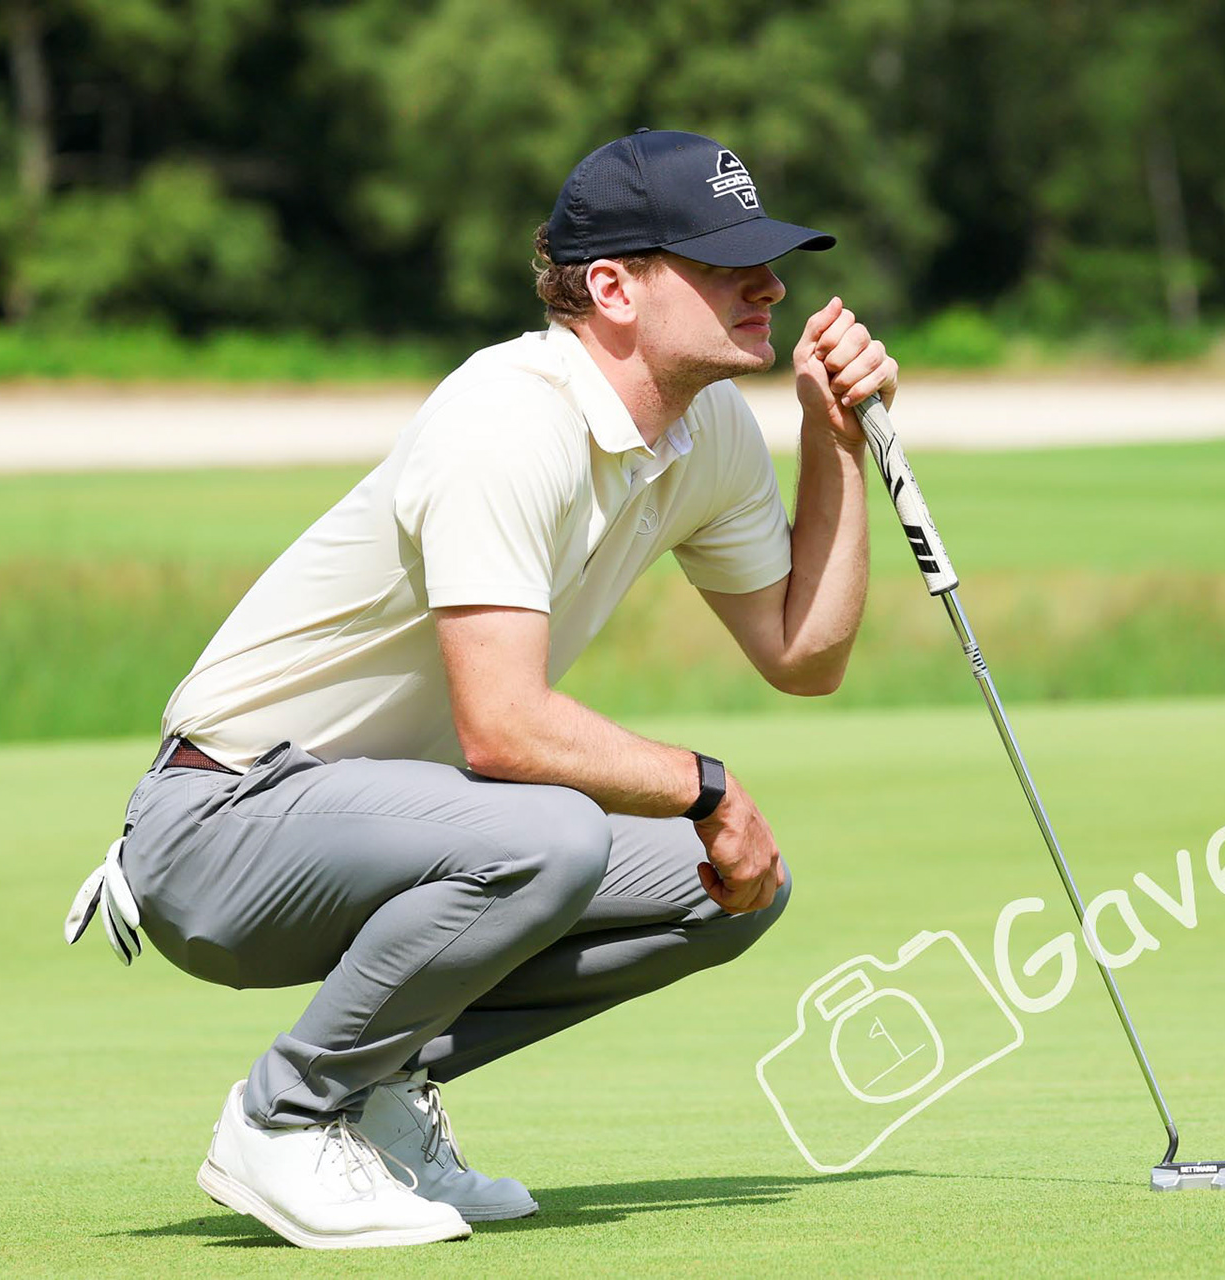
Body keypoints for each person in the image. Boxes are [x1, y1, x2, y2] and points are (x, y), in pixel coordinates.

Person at [63, 128, 896, 1250]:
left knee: (734, 884)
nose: (771, 286)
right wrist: (705, 783)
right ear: (614, 288)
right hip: (221, 823)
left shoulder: (709, 432)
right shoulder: (508, 417)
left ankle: (377, 1092)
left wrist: (832, 442)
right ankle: (285, 1115)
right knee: (555, 833)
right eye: (724, 261)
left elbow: (805, 656)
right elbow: (503, 728)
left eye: (768, 260)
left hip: (383, 824)